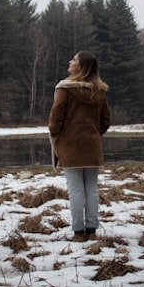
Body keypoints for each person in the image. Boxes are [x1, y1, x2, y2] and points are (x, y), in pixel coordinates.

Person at [48, 51, 111, 241]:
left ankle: (78, 232)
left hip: (69, 144)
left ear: (81, 66)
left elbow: (56, 116)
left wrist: (56, 135)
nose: (70, 61)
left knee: (75, 189)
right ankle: (91, 230)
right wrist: (92, 134)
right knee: (91, 188)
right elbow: (105, 120)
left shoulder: (64, 89)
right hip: (91, 144)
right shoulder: (98, 91)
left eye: (74, 59)